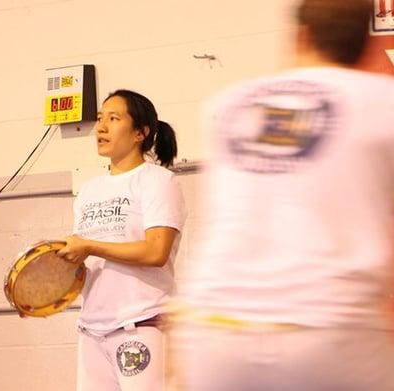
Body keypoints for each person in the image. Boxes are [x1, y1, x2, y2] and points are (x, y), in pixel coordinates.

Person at [170, 0, 394, 390]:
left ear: (299, 35)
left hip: (213, 329)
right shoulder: (382, 99)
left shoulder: (226, 104)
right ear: (369, 42)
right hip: (328, 327)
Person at [57, 89, 186, 391]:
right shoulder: (88, 191)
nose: (100, 127)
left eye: (113, 119)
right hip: (92, 330)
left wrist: (89, 245)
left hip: (141, 325)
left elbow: (157, 251)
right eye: (100, 119)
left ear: (141, 132)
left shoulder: (157, 181)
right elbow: (89, 263)